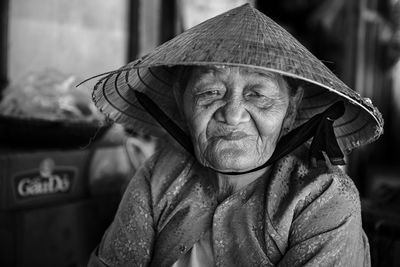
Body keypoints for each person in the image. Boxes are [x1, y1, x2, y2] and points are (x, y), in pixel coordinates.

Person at [86, 4, 383, 266]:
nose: (232, 114)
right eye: (211, 92)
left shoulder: (323, 196)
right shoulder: (158, 176)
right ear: (181, 101)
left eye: (257, 94)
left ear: (290, 111)